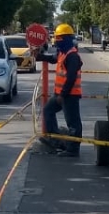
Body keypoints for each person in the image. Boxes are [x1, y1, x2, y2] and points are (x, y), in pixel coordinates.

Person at [34, 23, 83, 156]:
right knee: (48, 110)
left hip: (69, 95)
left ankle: (73, 150)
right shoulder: (62, 53)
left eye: (59, 38)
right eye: (56, 38)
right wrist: (38, 56)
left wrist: (62, 94)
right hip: (60, 94)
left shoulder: (72, 56)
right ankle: (56, 141)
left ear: (67, 38)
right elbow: (52, 59)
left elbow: (71, 78)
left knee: (73, 123)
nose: (56, 41)